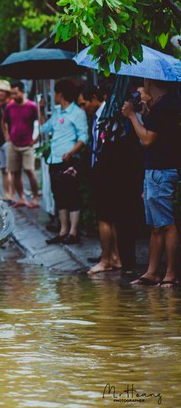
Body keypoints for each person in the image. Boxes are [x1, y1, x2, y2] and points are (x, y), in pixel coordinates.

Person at [122, 79, 180, 287]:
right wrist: (145, 113)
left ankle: (171, 273)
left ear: (151, 81)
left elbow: (147, 139)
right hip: (154, 170)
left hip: (161, 171)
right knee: (155, 225)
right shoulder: (160, 106)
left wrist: (131, 116)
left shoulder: (166, 106)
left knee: (166, 224)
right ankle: (152, 272)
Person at [39, 79, 89, 245]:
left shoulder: (77, 113)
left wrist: (72, 152)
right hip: (54, 159)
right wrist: (40, 109)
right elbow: (44, 128)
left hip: (68, 160)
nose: (54, 96)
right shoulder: (57, 112)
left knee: (72, 195)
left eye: (55, 93)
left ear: (61, 94)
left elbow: (84, 136)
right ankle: (63, 231)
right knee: (59, 195)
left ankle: (73, 232)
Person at [78, 84, 121, 274]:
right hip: (103, 170)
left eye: (83, 103)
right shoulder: (97, 117)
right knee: (109, 217)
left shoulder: (106, 117)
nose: (83, 108)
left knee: (103, 217)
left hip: (107, 171)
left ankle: (105, 260)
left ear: (94, 98)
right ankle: (115, 257)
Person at [4, 81, 40, 208]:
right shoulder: (10, 106)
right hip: (13, 144)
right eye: (12, 93)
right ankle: (22, 198)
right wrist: (7, 136)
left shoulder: (32, 106)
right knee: (15, 172)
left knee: (30, 171)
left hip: (27, 145)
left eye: (16, 93)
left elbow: (41, 123)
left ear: (23, 92)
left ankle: (35, 198)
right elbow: (4, 122)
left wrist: (36, 139)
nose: (13, 96)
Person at [0, 80, 13, 201]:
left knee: (11, 169)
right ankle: (6, 193)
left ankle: (12, 193)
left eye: (1, 90)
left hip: (10, 140)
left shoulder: (13, 105)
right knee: (3, 169)